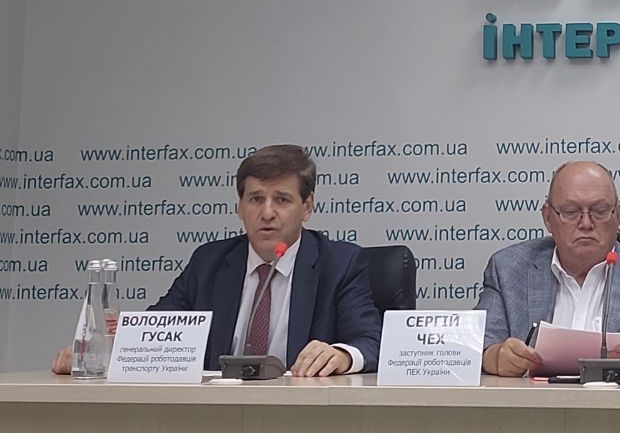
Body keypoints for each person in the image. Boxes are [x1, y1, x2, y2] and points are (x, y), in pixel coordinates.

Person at [52, 144, 381, 376]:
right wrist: (99, 354)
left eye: (282, 200)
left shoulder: (339, 263)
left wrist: (341, 355)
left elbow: (372, 342)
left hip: (302, 416)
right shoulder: (210, 262)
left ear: (307, 207)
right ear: (239, 207)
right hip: (215, 415)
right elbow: (157, 329)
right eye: (256, 199)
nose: (267, 212)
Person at [477, 160, 620, 378]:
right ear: (548, 218)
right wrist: (494, 357)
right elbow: (477, 345)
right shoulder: (508, 268)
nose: (586, 223)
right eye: (571, 211)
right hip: (532, 406)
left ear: (618, 216)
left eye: (599, 211)